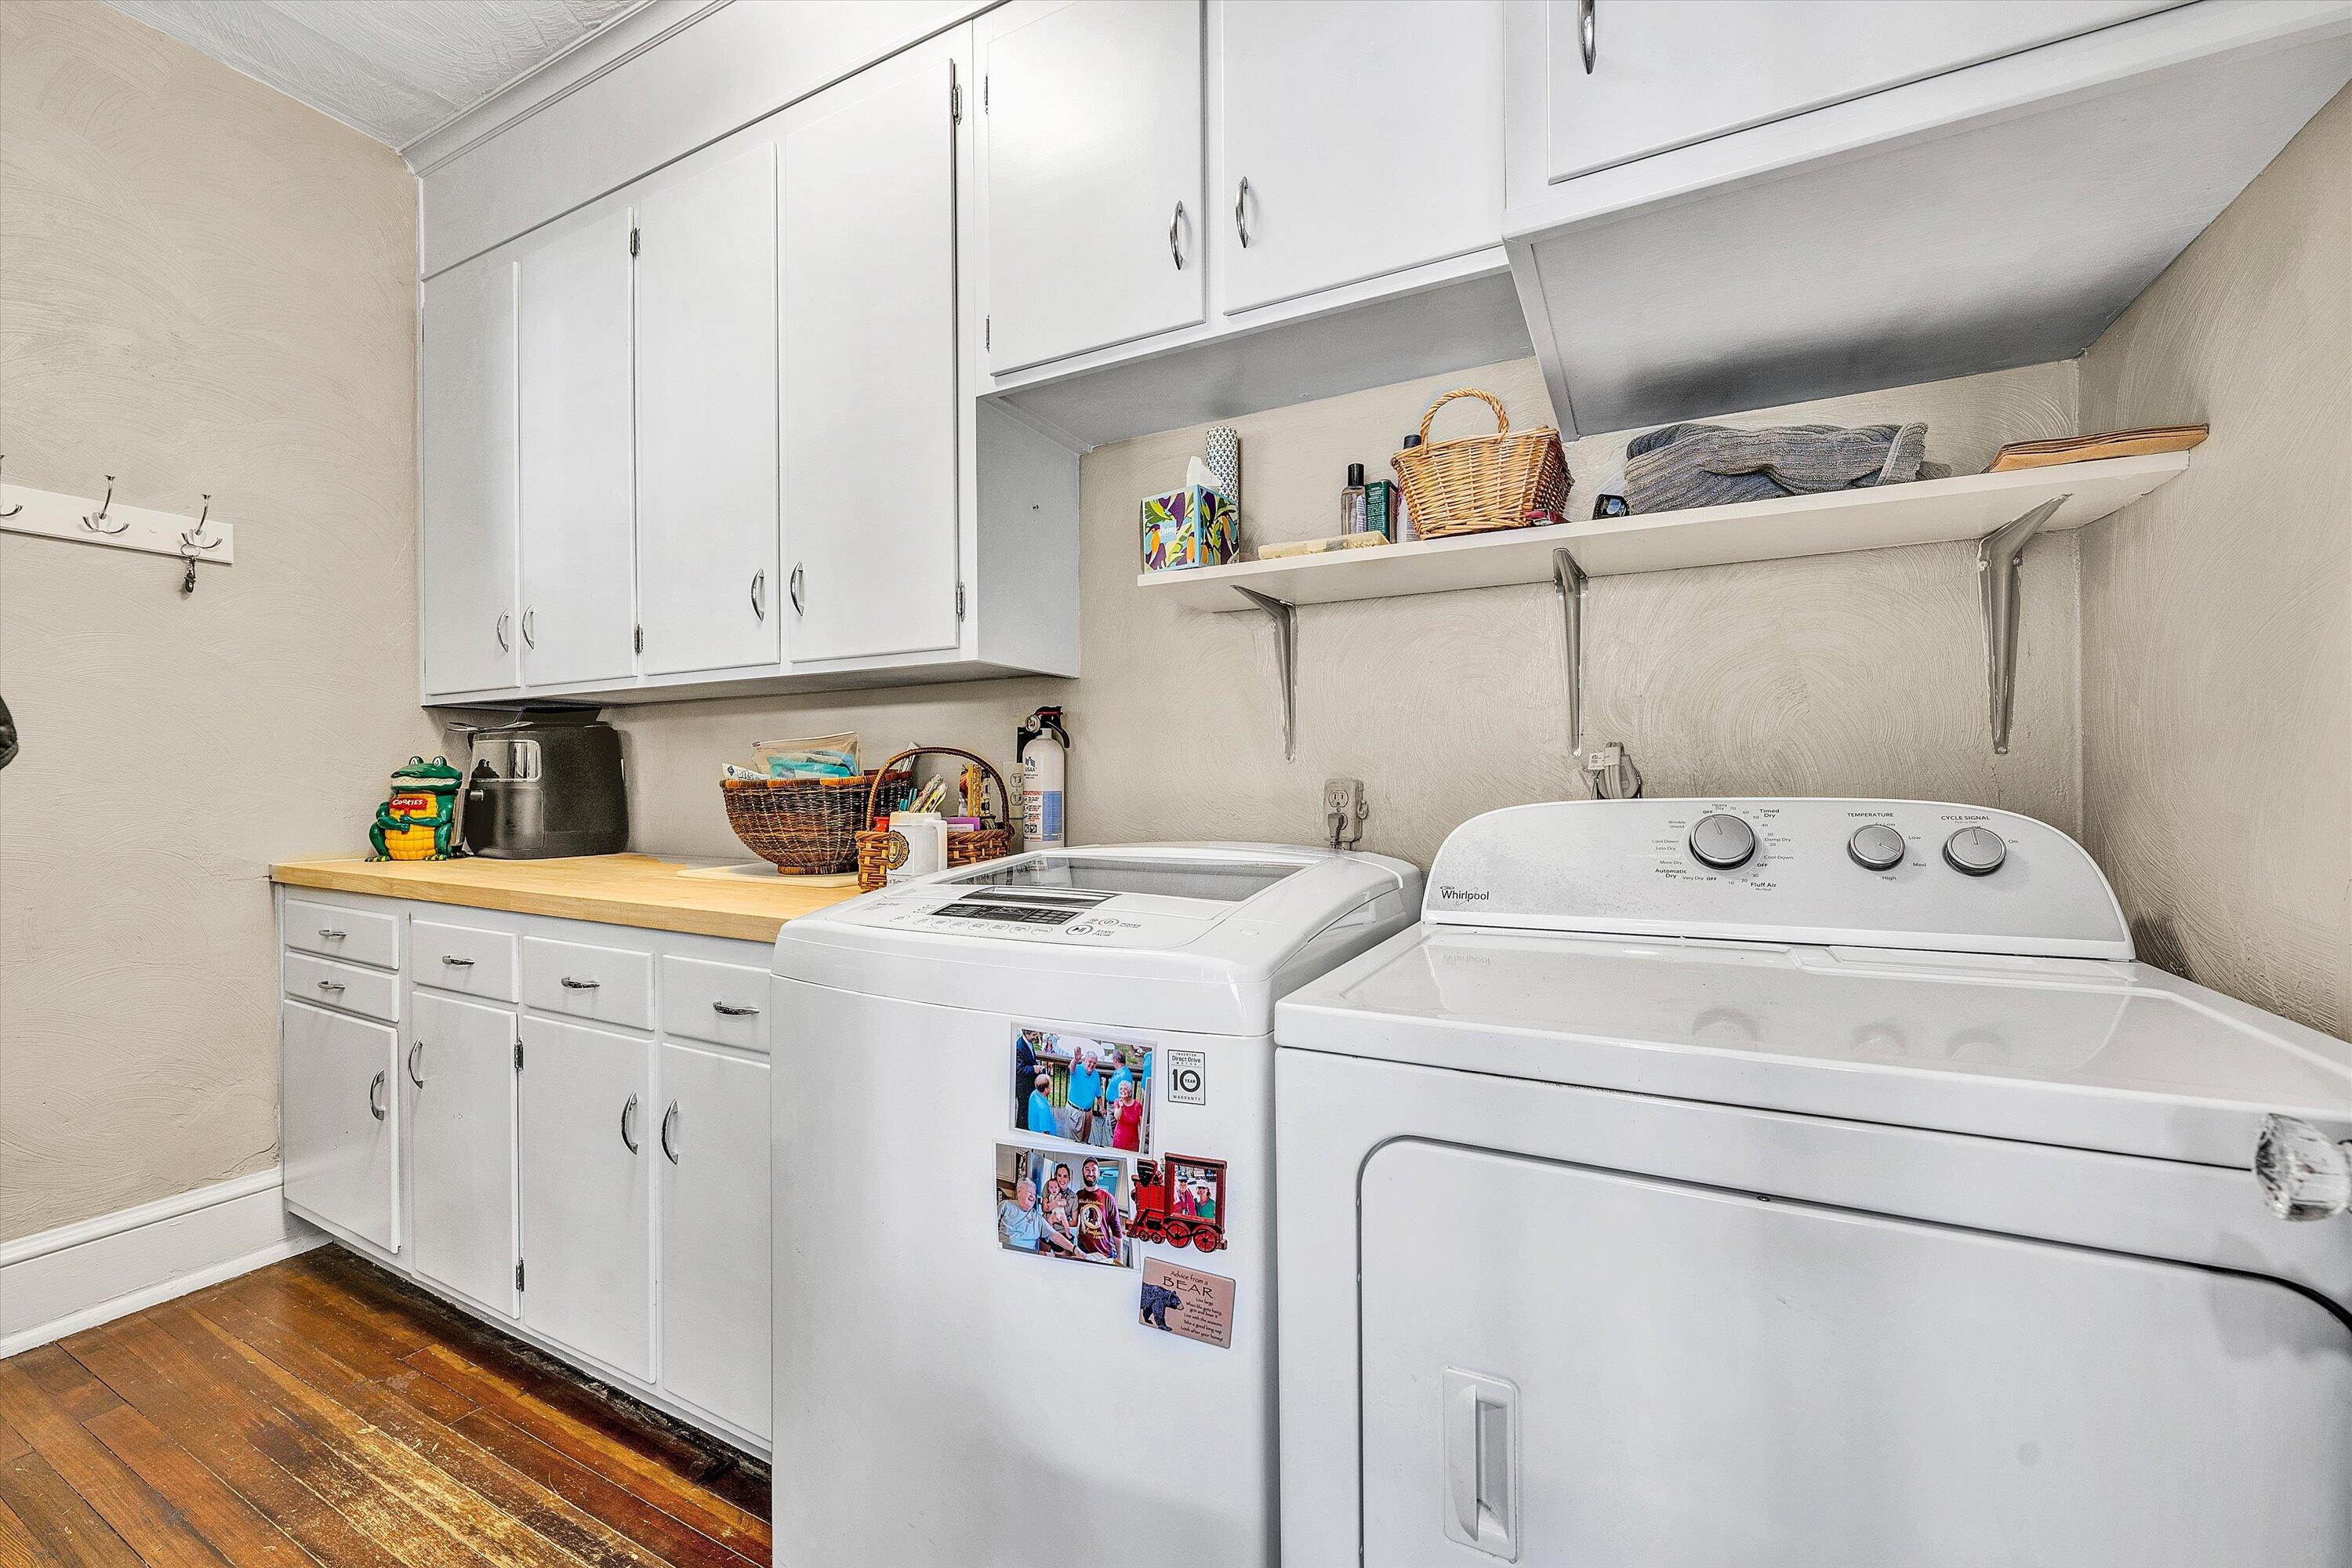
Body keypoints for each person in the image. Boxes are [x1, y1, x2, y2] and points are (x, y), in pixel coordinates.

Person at [1062, 1044, 1102, 1143]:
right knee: (1074, 1141)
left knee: (1085, 1140)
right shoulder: (1077, 1069)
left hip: (1088, 1113)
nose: (1092, 1065)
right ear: (1084, 1061)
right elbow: (1071, 1067)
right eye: (1090, 1062)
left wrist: (1101, 1107)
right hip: (1076, 1111)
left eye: (1094, 1063)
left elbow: (1098, 1093)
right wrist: (1075, 1060)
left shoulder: (1096, 1074)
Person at [997, 1178, 1047, 1253]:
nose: (1032, 1196)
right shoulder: (1006, 1205)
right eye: (1030, 1192)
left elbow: (1054, 1235)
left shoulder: (1037, 1217)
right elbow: (990, 1226)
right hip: (1004, 1252)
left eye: (1034, 1194)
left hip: (1027, 1256)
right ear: (1019, 1192)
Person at [1111, 1080, 1142, 1152]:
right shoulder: (1117, 1102)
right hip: (1119, 1138)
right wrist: (1121, 1107)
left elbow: (1141, 1124)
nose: (1123, 1090)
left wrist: (1141, 1138)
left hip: (1133, 1141)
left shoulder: (1137, 1105)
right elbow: (1117, 1118)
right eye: (1121, 1089)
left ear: (1130, 1092)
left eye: (1125, 1089)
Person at [1025, 1071, 1059, 1137]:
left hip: (1033, 1130)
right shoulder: (1043, 1109)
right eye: (1050, 1086)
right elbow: (1045, 1132)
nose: (1051, 1087)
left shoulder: (1034, 1094)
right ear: (1046, 1089)